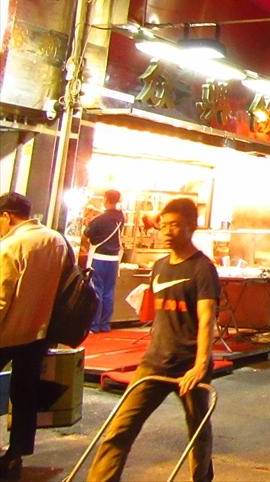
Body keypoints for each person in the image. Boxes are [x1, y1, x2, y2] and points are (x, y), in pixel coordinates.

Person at [88, 198, 219, 482]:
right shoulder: (159, 266)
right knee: (119, 429)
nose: (168, 231)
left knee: (198, 431)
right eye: (164, 225)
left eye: (176, 225)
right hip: (154, 363)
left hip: (189, 366)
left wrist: (200, 366)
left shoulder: (202, 269)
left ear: (192, 226)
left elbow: (207, 319)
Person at [0, 192, 66, 479]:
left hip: (7, 333)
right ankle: (16, 453)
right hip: (39, 331)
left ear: (7, 216)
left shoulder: (10, 246)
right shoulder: (55, 240)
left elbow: (1, 299)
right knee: (25, 392)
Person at [82, 189, 124, 333]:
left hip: (99, 259)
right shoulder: (120, 217)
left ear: (105, 199)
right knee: (109, 292)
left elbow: (87, 234)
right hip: (114, 260)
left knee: (96, 291)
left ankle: (94, 325)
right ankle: (105, 324)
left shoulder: (99, 219)